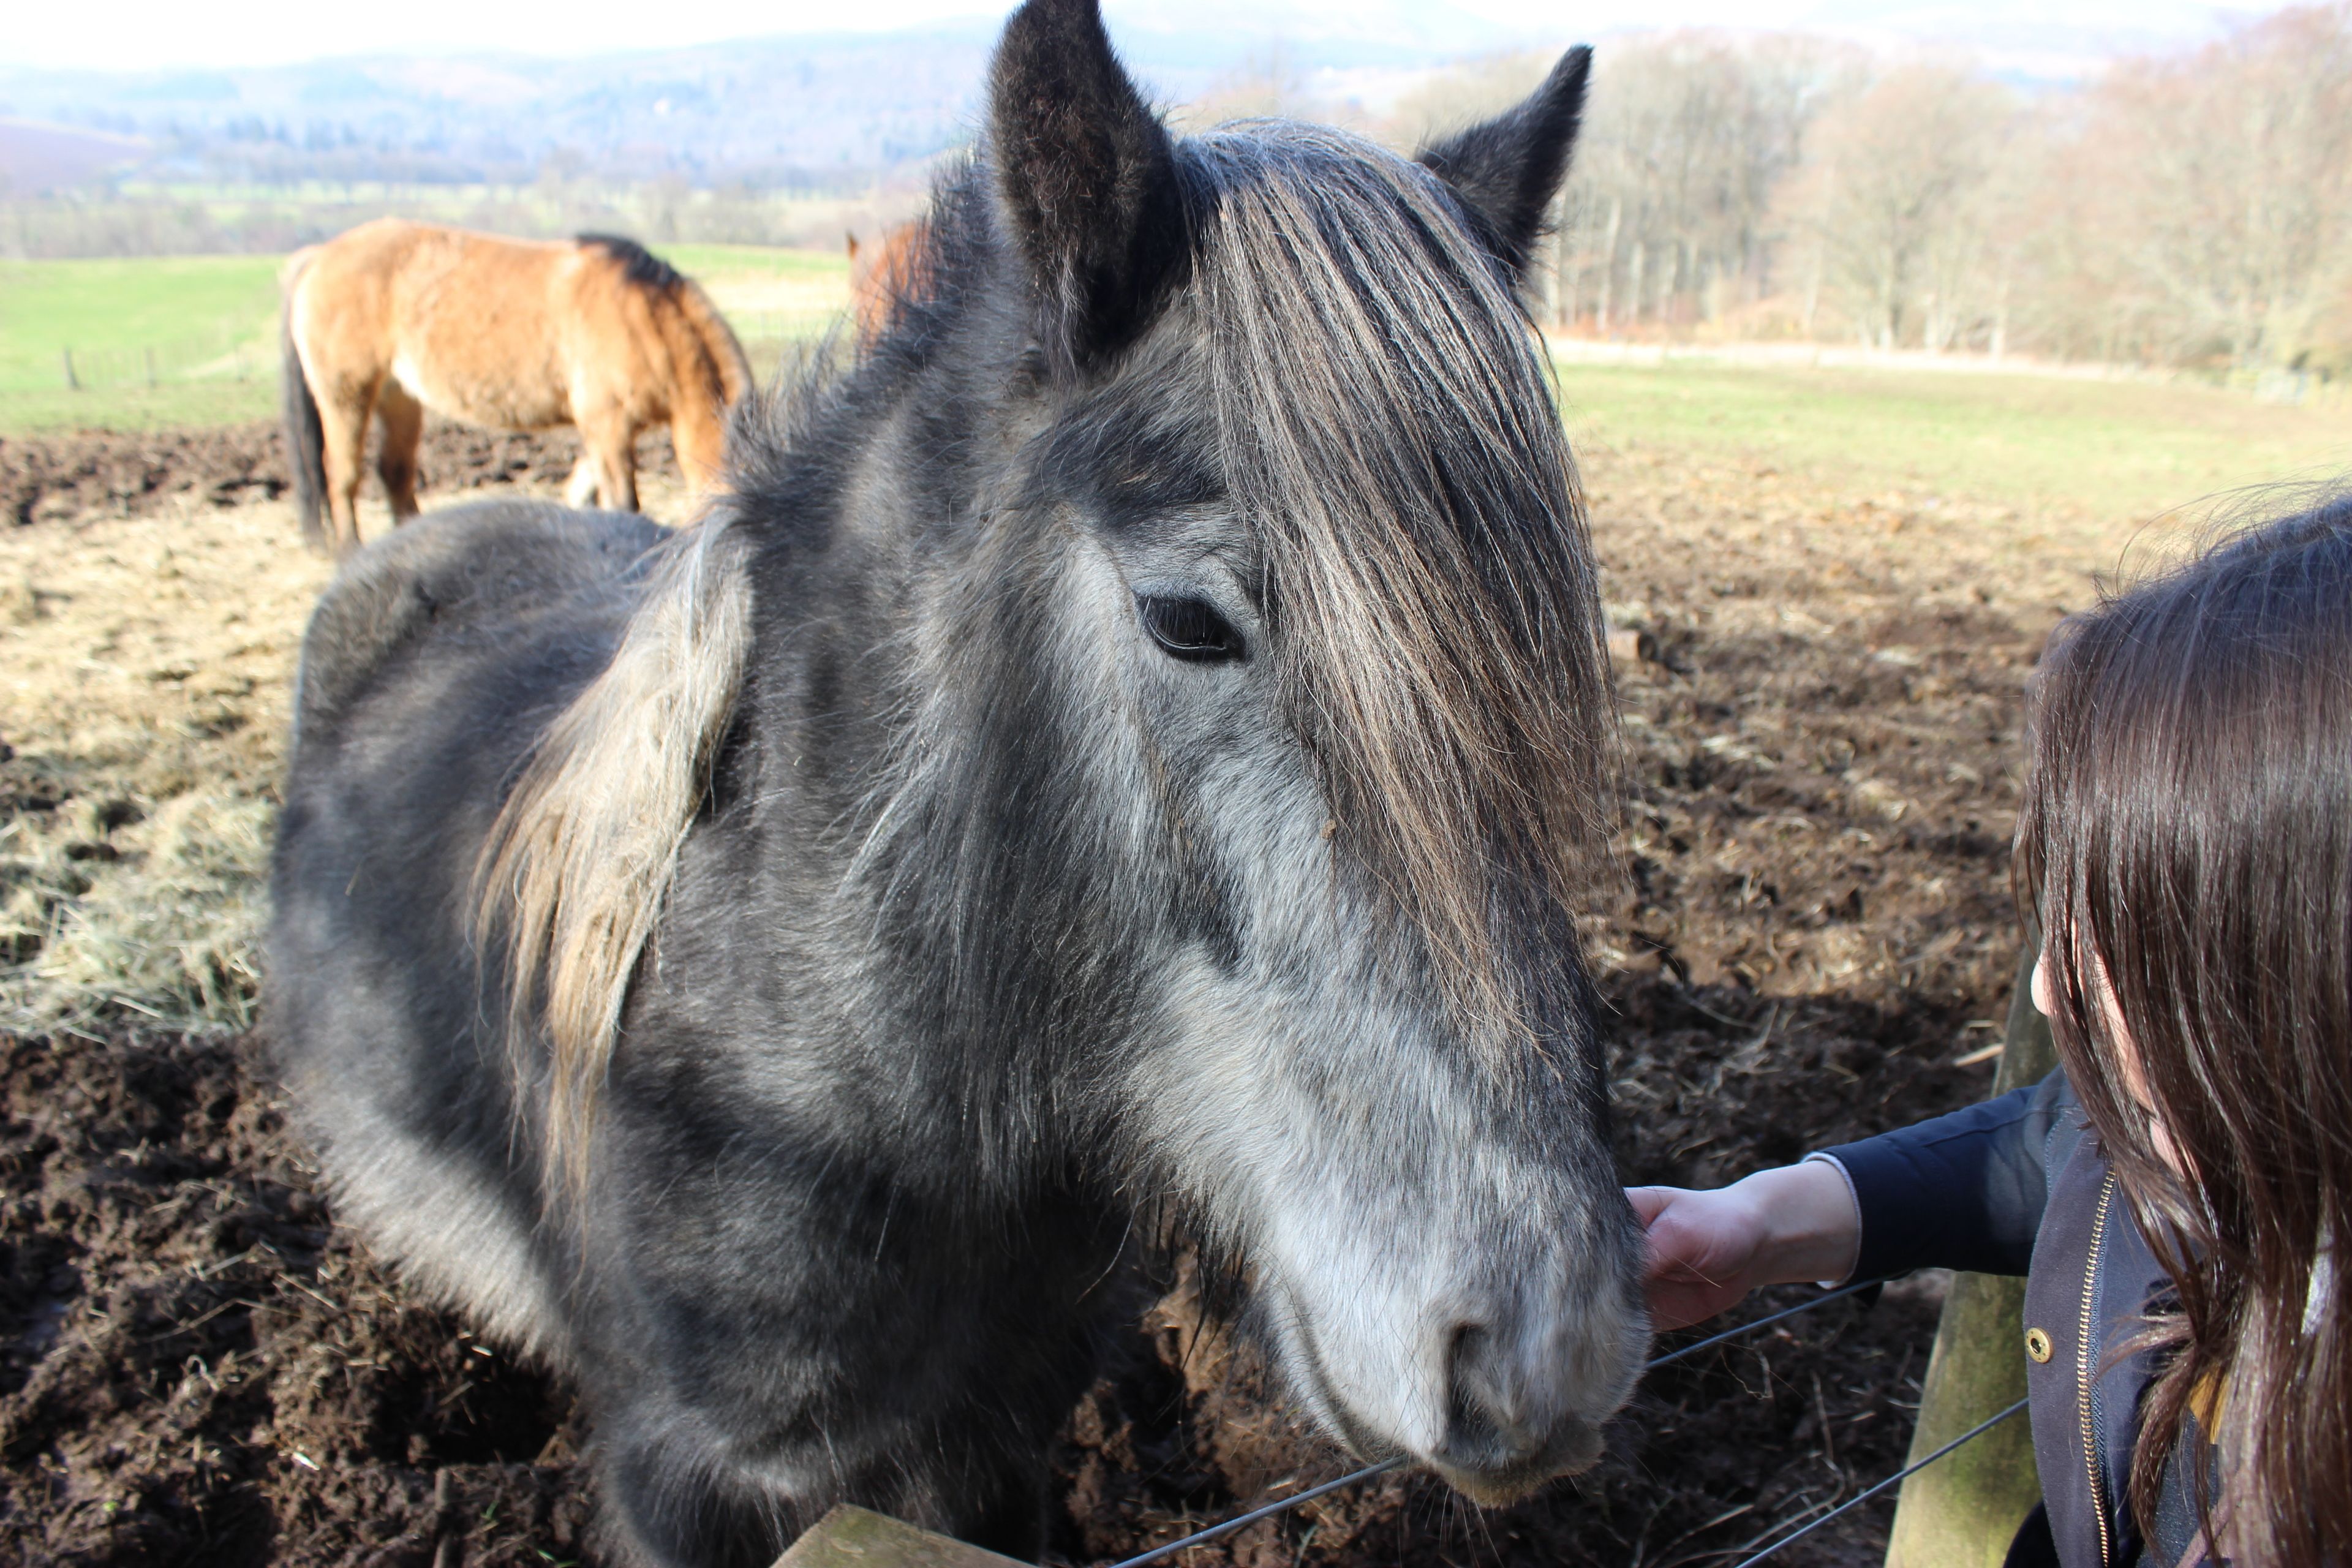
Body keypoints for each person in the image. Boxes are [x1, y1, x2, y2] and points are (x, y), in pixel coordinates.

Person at [1629, 500, 2352, 1568]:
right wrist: (1766, 1217)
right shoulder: (2228, 1136)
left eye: (2129, 950)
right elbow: (2071, 1146)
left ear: (2305, 982)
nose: (2052, 995)